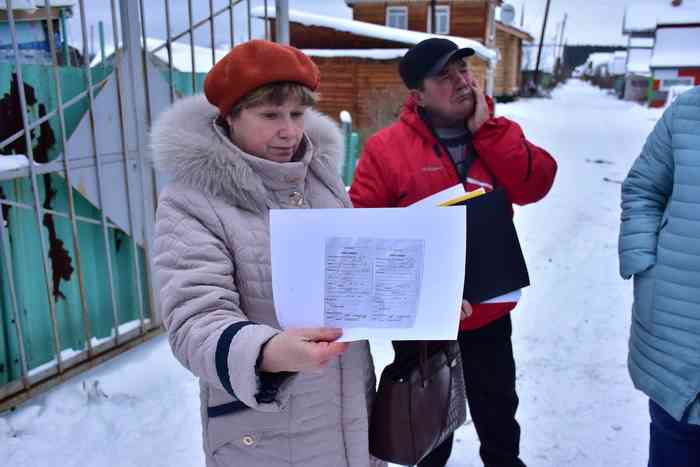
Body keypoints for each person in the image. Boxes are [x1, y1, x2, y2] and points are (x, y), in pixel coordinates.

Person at [151, 40, 383, 467]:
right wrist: (267, 352)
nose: (289, 131)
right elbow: (194, 319)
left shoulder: (321, 177)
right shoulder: (192, 200)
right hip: (264, 433)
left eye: (297, 114)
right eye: (270, 115)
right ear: (230, 117)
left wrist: (421, 301)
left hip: (351, 419)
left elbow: (352, 274)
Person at [349, 38, 557, 467]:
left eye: (463, 69)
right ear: (418, 95)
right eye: (444, 76)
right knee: (426, 421)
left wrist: (490, 132)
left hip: (488, 310)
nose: (462, 81)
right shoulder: (386, 149)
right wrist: (423, 288)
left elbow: (536, 184)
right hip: (424, 318)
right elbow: (365, 233)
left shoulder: (498, 132)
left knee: (499, 411)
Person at [618, 86, 700, 467]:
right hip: (679, 344)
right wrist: (646, 265)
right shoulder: (688, 111)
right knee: (675, 441)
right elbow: (643, 188)